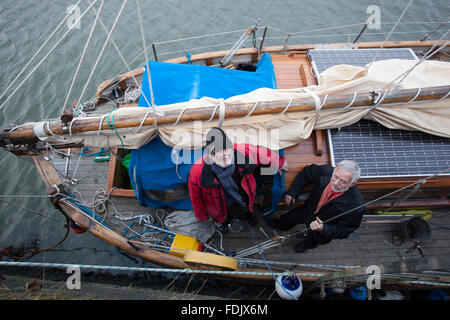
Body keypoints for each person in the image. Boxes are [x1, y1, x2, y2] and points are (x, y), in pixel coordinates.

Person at [188, 127, 287, 232]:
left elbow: (260, 152)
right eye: (218, 151)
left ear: (232, 148)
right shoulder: (197, 172)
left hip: (243, 196)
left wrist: (278, 162)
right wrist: (202, 216)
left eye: (227, 148)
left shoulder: (241, 152)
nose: (225, 154)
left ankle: (248, 216)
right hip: (220, 204)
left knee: (246, 210)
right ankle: (225, 222)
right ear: (211, 155)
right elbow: (196, 197)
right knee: (223, 216)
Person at [267, 160, 364, 253]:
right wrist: (293, 192)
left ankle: (305, 246)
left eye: (343, 181)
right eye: (336, 176)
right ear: (334, 171)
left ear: (352, 184)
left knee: (313, 240)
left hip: (324, 226)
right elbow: (306, 173)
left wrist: (324, 228)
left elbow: (344, 231)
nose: (336, 183)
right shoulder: (325, 171)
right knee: (288, 218)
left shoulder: (356, 206)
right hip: (308, 209)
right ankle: (280, 225)